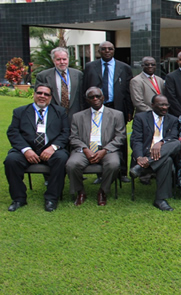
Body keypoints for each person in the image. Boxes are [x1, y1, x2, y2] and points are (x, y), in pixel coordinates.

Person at [5, 84, 69, 212]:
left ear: (50, 97)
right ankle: (19, 198)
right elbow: (13, 132)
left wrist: (53, 147)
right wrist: (26, 150)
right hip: (28, 149)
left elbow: (65, 132)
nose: (42, 96)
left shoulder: (59, 112)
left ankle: (51, 198)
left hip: (50, 150)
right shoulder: (20, 111)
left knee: (61, 158)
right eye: (39, 93)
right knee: (11, 160)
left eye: (46, 94)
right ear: (34, 94)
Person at [66, 87, 126, 206]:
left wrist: (105, 150)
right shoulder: (77, 116)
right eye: (91, 97)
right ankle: (80, 192)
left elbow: (120, 136)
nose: (95, 99)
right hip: (84, 150)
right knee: (72, 164)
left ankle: (103, 191)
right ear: (87, 100)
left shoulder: (117, 115)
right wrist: (85, 149)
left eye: (98, 96)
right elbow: (73, 137)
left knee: (114, 164)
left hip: (107, 150)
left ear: (103, 97)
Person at [83, 40, 133, 183]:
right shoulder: (90, 67)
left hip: (117, 107)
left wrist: (129, 110)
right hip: (96, 108)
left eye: (109, 49)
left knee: (120, 138)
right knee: (98, 138)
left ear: (113, 50)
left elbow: (128, 91)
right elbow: (84, 88)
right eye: (103, 49)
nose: (107, 51)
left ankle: (122, 172)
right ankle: (100, 173)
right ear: (99, 51)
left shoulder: (124, 67)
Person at [129, 94, 181, 211]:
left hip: (163, 151)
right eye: (161, 105)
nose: (164, 108)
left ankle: (141, 168)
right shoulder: (141, 118)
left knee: (176, 143)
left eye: (166, 105)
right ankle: (160, 200)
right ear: (152, 105)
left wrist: (161, 142)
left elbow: (173, 136)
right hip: (145, 154)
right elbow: (136, 140)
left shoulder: (173, 119)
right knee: (166, 161)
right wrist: (139, 157)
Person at [35, 47, 84, 124]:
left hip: (74, 117)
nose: (62, 62)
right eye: (58, 59)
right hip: (53, 117)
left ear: (68, 59)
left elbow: (81, 97)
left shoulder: (78, 75)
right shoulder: (43, 76)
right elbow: (39, 98)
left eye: (64, 59)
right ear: (53, 60)